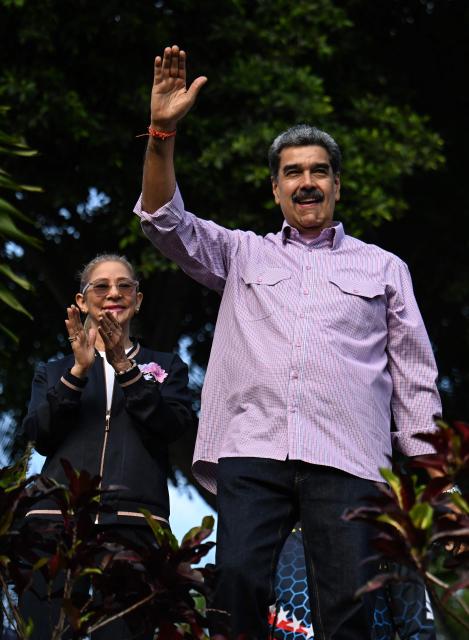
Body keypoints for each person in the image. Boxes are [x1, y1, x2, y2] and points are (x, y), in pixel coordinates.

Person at [134, 45, 442, 640]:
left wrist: (431, 476)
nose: (306, 183)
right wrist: (161, 133)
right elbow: (163, 221)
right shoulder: (240, 253)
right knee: (238, 585)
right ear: (275, 189)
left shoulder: (383, 268)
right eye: (293, 173)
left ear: (337, 185)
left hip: (349, 456)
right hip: (255, 447)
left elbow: (413, 375)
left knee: (348, 607)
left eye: (318, 171)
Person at [20, 253, 193, 639]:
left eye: (124, 285)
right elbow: (40, 434)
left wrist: (126, 370)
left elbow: (172, 427)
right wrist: (78, 372)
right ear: (82, 301)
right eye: (101, 286)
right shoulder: (53, 370)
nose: (113, 293)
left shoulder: (167, 366)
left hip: (133, 528)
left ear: (139, 299)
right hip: (56, 524)